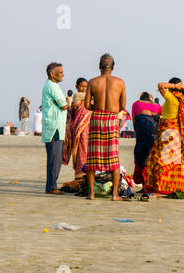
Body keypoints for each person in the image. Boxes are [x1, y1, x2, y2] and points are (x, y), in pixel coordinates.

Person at [85, 53, 126, 201]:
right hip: (111, 118)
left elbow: (86, 104)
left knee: (92, 158)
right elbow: (122, 105)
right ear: (113, 67)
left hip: (96, 118)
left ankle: (91, 194)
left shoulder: (92, 82)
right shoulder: (120, 82)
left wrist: (97, 107)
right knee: (113, 158)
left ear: (99, 66)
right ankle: (115, 194)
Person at [144, 77, 184, 194]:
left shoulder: (171, 98)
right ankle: (171, 187)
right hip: (176, 135)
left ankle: (161, 188)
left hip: (168, 134)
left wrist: (174, 86)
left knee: (162, 161)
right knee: (172, 162)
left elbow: (160, 85)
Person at [41, 62, 71, 195]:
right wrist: (65, 103)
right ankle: (51, 187)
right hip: (54, 127)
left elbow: (61, 103)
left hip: (56, 126)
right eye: (60, 72)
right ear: (52, 74)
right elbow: (64, 105)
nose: (63, 74)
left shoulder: (52, 86)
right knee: (54, 158)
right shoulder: (52, 86)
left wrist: (62, 103)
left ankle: (52, 186)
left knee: (56, 158)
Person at [62, 78, 91, 180]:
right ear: (77, 87)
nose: (84, 88)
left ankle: (88, 177)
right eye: (82, 86)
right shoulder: (77, 96)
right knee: (80, 152)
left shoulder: (89, 97)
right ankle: (80, 176)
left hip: (89, 129)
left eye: (86, 87)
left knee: (88, 153)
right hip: (80, 129)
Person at [132, 92, 162, 185]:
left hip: (142, 132)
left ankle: (143, 183)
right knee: (151, 156)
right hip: (154, 133)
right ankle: (151, 183)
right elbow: (160, 120)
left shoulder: (136, 104)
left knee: (140, 156)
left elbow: (134, 121)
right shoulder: (157, 106)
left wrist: (137, 133)